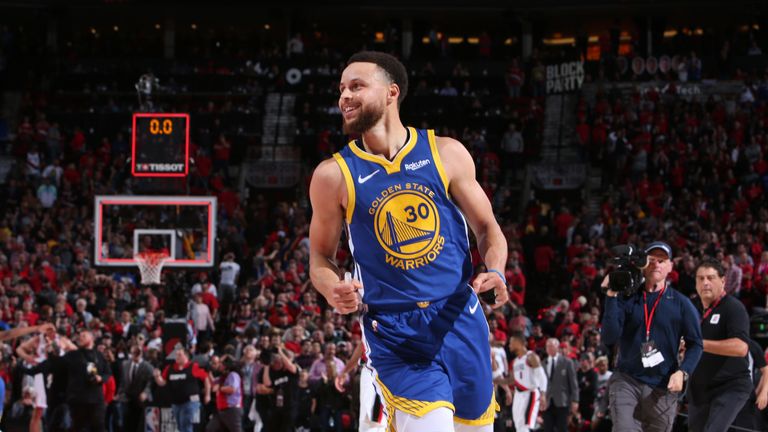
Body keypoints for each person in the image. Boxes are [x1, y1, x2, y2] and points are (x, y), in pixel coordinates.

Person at [309, 50, 508, 432]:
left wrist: (495, 270)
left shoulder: (445, 153)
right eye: (341, 89)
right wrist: (333, 288)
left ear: (391, 93)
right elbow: (319, 257)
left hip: (458, 314)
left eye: (356, 86)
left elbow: (488, 228)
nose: (344, 97)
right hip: (394, 328)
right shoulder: (333, 175)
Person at [601, 241, 703, 432]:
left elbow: (696, 344)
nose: (656, 264)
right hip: (627, 380)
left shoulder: (682, 304)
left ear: (670, 266)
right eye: (652, 260)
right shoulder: (627, 298)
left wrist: (683, 372)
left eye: (662, 260)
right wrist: (611, 295)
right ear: (643, 264)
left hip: (662, 387)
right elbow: (609, 337)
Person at [687, 258, 752, 432]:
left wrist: (699, 344)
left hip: (730, 385)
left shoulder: (733, 308)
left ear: (723, 281)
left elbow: (740, 347)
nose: (705, 283)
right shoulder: (690, 308)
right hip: (699, 387)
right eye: (700, 278)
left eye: (710, 278)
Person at [15, 321, 77, 432]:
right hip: (41, 373)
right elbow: (19, 349)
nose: (50, 331)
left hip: (58, 375)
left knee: (60, 408)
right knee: (39, 410)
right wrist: (27, 357)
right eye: (47, 329)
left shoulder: (62, 340)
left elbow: (77, 352)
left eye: (52, 329)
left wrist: (67, 360)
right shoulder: (37, 340)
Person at [60, 330, 112, 432]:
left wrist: (100, 378)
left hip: (96, 399)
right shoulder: (72, 355)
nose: (80, 337)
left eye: (84, 336)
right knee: (77, 427)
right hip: (78, 399)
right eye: (79, 336)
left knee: (99, 426)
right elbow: (59, 363)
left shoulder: (99, 355)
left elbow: (108, 372)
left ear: (91, 338)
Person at [153, 347, 211, 432]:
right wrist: (157, 376)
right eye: (176, 355)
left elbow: (206, 378)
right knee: (180, 426)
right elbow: (162, 383)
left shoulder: (193, 367)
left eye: (179, 355)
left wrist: (207, 395)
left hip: (190, 402)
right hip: (176, 403)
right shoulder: (169, 368)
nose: (177, 357)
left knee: (185, 424)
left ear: (186, 356)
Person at [336, 341, 386, 432]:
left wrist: (344, 371)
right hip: (373, 371)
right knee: (370, 421)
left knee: (374, 422)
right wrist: (344, 371)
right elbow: (363, 342)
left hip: (384, 371)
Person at [507, 330, 547, 432]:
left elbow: (542, 376)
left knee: (525, 426)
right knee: (518, 425)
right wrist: (494, 380)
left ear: (519, 342)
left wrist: (543, 394)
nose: (509, 345)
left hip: (530, 393)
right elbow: (512, 381)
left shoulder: (531, 357)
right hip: (518, 395)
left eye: (511, 342)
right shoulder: (515, 361)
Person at [541, 338, 579, 432]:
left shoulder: (567, 362)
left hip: (563, 401)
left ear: (557, 347)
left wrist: (575, 400)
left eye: (551, 346)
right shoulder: (542, 363)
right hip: (547, 401)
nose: (549, 348)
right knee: (547, 428)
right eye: (547, 346)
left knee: (562, 428)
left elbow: (573, 383)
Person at [115, 345, 154, 432]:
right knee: (125, 424)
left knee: (138, 425)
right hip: (126, 398)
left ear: (141, 353)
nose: (135, 355)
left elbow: (151, 382)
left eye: (138, 352)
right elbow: (122, 380)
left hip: (140, 399)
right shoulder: (125, 364)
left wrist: (145, 392)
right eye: (134, 352)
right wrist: (119, 393)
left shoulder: (148, 367)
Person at [207, 356, 243, 432]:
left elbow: (232, 389)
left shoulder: (233, 375)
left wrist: (220, 388)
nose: (219, 365)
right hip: (221, 408)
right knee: (211, 428)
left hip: (231, 408)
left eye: (221, 363)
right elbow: (213, 384)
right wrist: (209, 372)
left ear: (227, 365)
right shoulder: (222, 377)